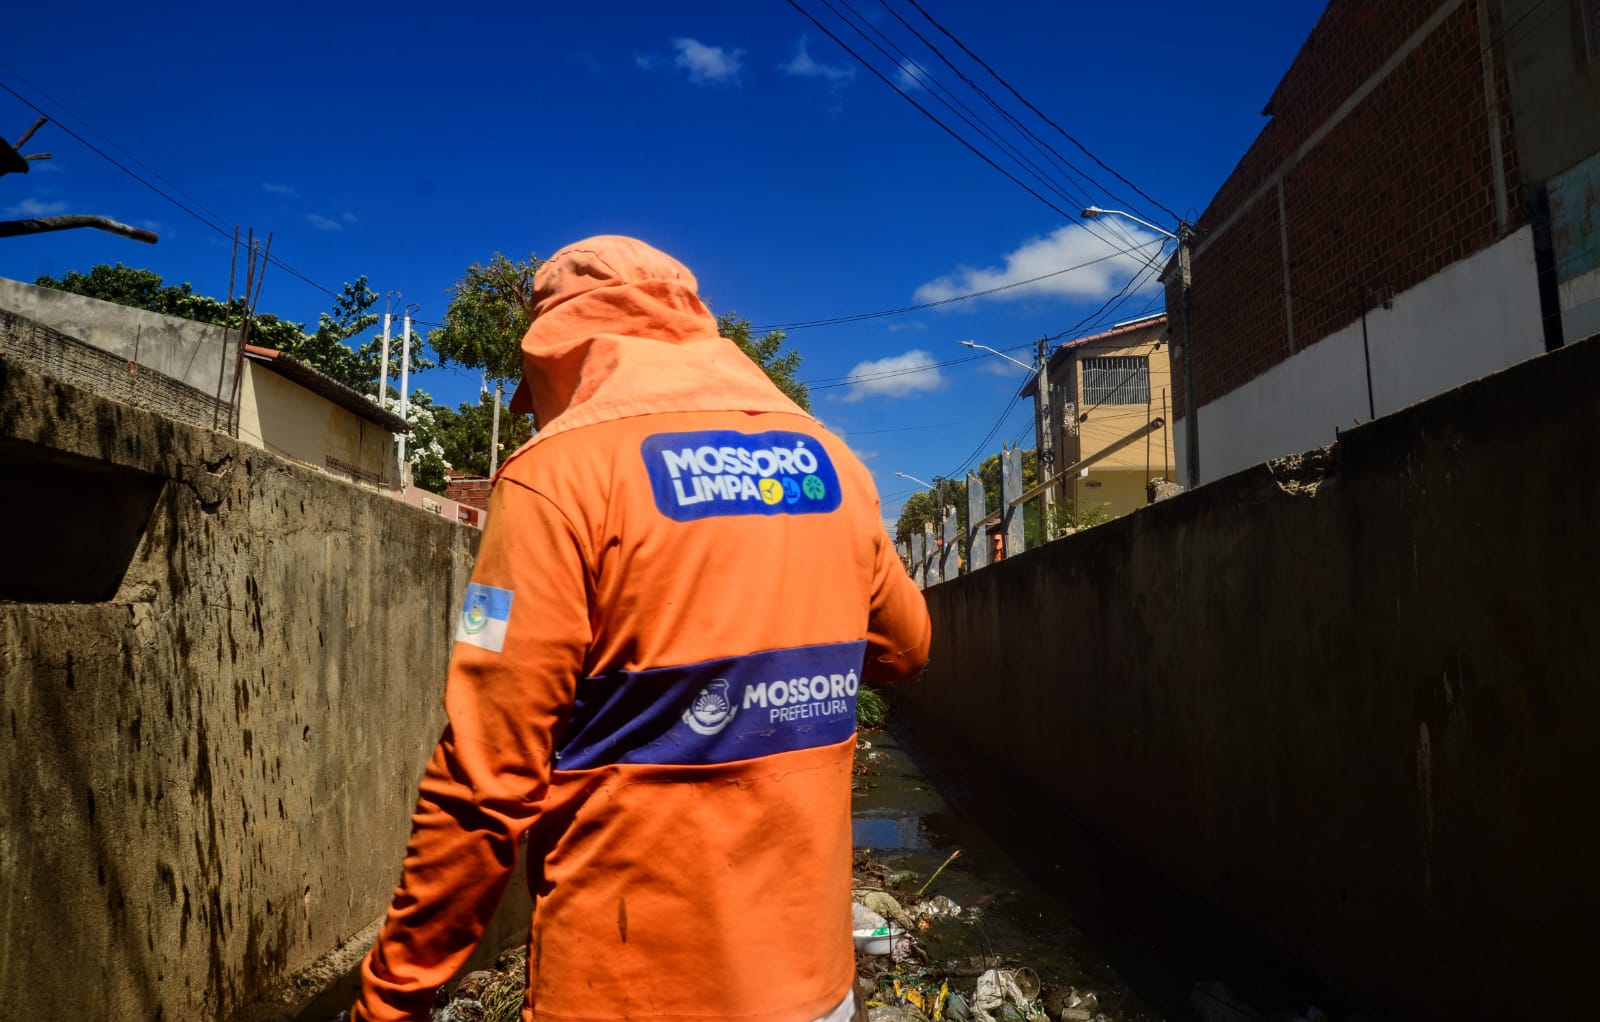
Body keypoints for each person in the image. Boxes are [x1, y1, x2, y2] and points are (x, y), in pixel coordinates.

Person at [353, 236, 932, 1022]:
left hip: (626, 991)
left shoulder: (556, 475)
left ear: (561, 355)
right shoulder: (834, 465)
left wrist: (391, 1001)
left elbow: (484, 784)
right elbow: (906, 647)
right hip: (812, 987)